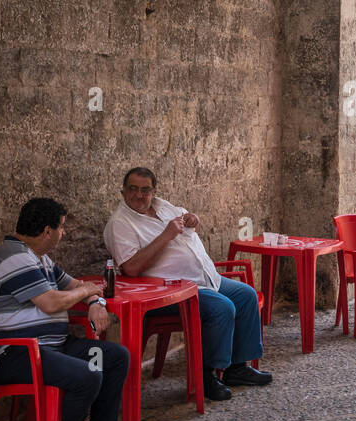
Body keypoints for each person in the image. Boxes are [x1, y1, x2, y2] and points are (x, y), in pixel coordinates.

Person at [0, 197, 134, 421]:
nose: (64, 234)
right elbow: (52, 303)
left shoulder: (40, 259)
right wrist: (87, 291)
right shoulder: (13, 257)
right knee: (86, 374)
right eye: (62, 227)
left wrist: (94, 302)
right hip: (13, 355)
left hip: (52, 347)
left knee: (113, 358)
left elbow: (75, 286)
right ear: (47, 231)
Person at [104, 167, 269, 402]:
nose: (139, 195)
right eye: (132, 189)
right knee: (222, 308)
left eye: (145, 190)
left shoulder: (164, 206)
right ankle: (206, 376)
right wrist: (166, 235)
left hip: (205, 277)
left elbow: (186, 221)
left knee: (246, 296)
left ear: (153, 191)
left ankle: (237, 368)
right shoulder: (120, 224)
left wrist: (193, 219)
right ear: (122, 191)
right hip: (171, 290)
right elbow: (130, 268)